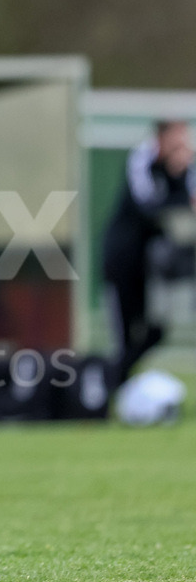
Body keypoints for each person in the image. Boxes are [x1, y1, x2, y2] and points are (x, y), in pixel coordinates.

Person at [102, 120, 196, 387]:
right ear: (162, 139)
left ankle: (113, 382)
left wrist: (179, 174)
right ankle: (108, 387)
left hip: (148, 265)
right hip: (122, 259)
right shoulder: (142, 160)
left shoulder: (180, 170)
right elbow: (149, 205)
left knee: (154, 331)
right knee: (125, 335)